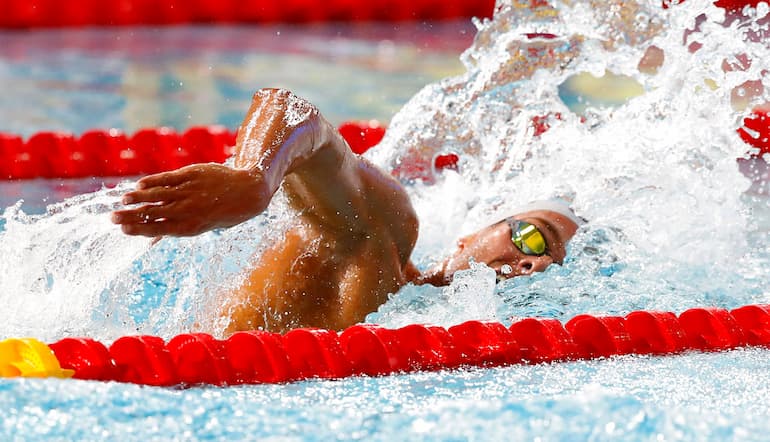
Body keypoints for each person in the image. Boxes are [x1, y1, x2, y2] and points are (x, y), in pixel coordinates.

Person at [111, 88, 580, 334]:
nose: (533, 262)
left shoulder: (420, 335)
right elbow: (293, 111)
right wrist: (254, 179)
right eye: (533, 237)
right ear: (470, 235)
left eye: (549, 264)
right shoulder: (381, 237)